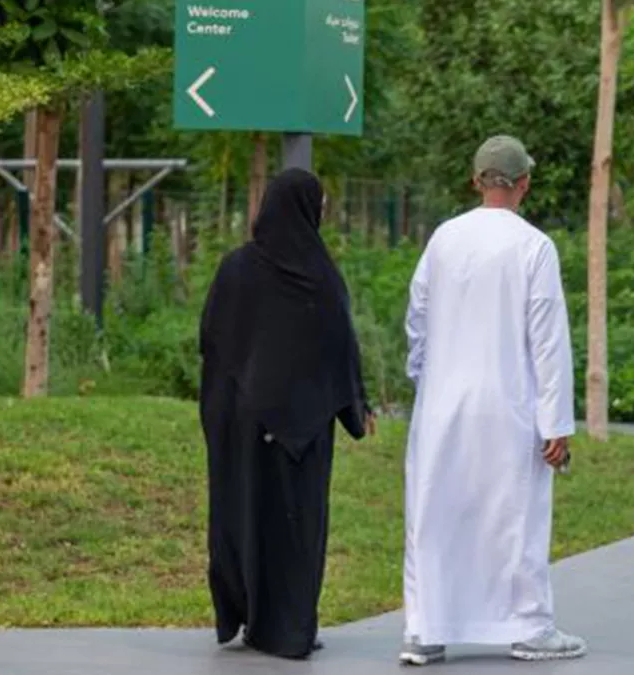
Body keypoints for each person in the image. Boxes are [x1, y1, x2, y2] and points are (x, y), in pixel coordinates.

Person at [398, 136, 586, 665]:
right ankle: (529, 626)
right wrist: (556, 421)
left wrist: (426, 380)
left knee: (434, 512)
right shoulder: (533, 246)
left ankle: (424, 629)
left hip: (441, 403)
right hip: (509, 404)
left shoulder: (443, 239)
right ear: (524, 183)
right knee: (517, 515)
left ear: (475, 179)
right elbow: (547, 338)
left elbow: (418, 319)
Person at [198, 168, 375, 660]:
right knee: (296, 528)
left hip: (240, 423)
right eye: (319, 206)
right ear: (305, 210)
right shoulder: (320, 275)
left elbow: (211, 340)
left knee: (242, 515)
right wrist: (354, 408)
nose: (321, 214)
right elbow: (339, 345)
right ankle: (289, 626)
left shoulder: (235, 269)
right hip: (303, 430)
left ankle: (249, 614)